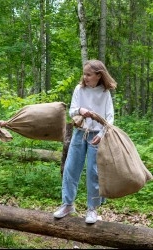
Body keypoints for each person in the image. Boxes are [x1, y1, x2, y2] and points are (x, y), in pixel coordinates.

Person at [53, 59, 117, 224]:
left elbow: (110, 117)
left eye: (89, 74)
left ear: (98, 75)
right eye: (84, 74)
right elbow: (72, 111)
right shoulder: (79, 89)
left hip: (97, 135)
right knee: (70, 168)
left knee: (93, 172)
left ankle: (92, 209)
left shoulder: (104, 92)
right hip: (79, 133)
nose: (85, 77)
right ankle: (67, 204)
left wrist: (102, 134)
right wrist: (81, 110)